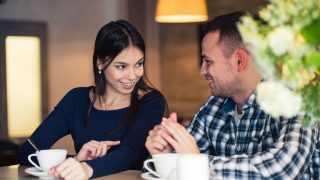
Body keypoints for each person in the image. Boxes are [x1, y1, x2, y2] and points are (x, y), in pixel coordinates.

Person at [145, 12, 320, 179]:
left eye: (208, 61)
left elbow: (283, 170)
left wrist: (196, 163)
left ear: (240, 60)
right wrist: (165, 154)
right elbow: (184, 159)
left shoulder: (297, 102)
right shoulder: (213, 106)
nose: (202, 71)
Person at [18, 20, 168, 179]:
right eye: (121, 66)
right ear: (100, 63)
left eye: (139, 64)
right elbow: (27, 152)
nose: (133, 75)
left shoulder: (151, 102)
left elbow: (129, 153)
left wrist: (86, 168)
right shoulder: (77, 100)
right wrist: (77, 161)